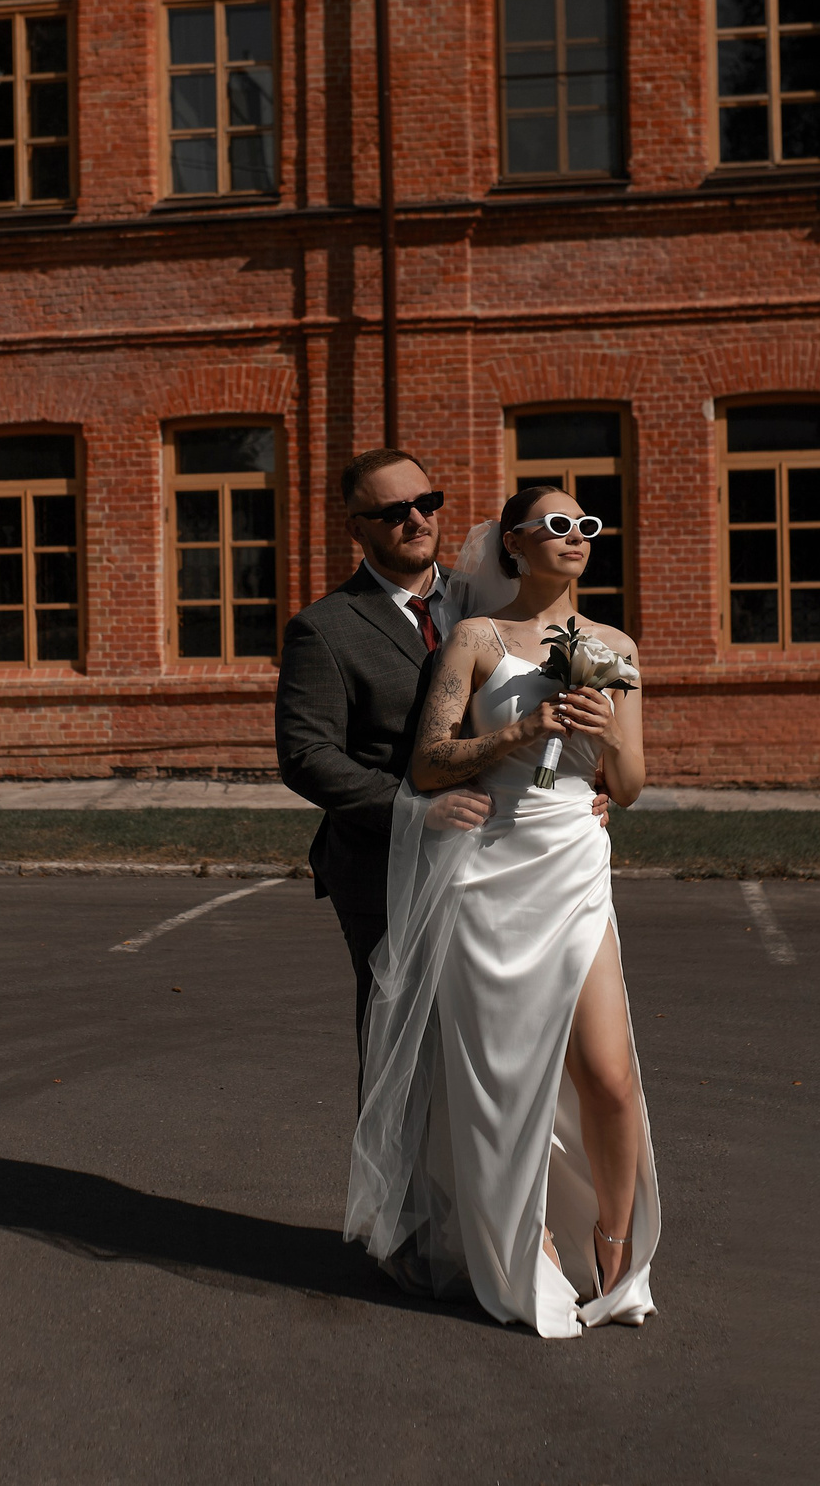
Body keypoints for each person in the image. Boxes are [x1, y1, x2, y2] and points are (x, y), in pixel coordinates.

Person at [346, 484, 659, 1337]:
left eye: (588, 526)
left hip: (574, 863)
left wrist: (608, 735)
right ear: (513, 545)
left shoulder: (618, 646)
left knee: (609, 1073)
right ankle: (529, 1243)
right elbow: (433, 759)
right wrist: (522, 735)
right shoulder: (478, 641)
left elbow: (627, 789)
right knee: (504, 1084)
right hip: (491, 875)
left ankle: (615, 1240)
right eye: (556, 526)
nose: (576, 538)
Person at [274, 449, 490, 1064]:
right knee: (405, 1052)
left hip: (502, 856)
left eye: (427, 503)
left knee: (490, 1042)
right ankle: (394, 1166)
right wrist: (418, 811)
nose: (417, 519)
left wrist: (579, 784)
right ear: (356, 528)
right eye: (394, 511)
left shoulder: (488, 603)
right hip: (388, 868)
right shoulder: (326, 629)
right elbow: (307, 755)